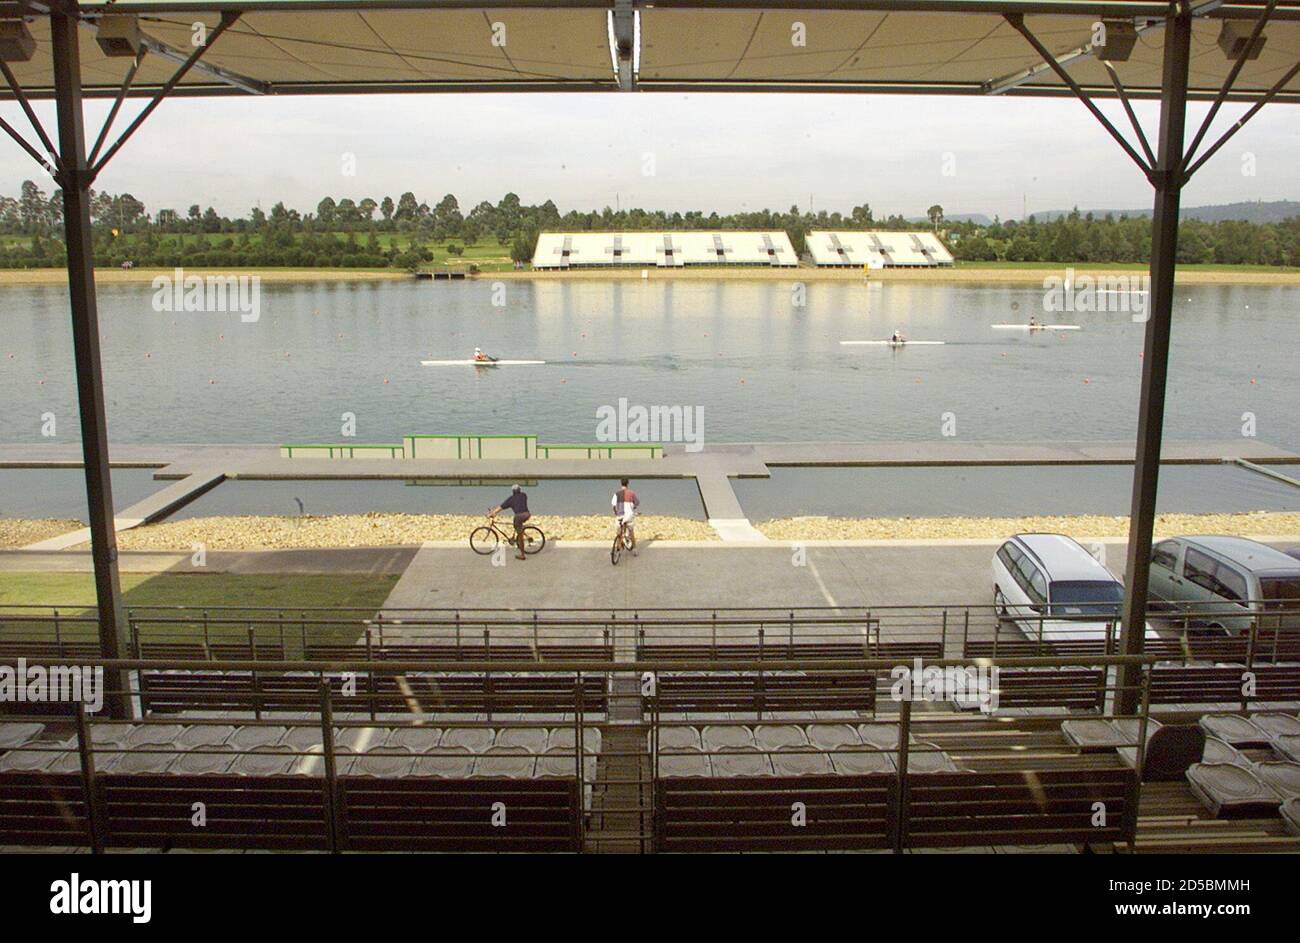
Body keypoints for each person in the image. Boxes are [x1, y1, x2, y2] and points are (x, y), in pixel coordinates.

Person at [489, 484, 531, 560]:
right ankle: (520, 535)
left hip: (519, 516)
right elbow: (519, 502)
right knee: (517, 526)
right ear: (520, 490)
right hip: (527, 514)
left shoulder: (511, 499)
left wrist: (493, 513)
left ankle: (522, 555)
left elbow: (501, 507)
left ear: (513, 491)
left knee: (520, 535)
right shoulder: (524, 495)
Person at [611, 478, 639, 556]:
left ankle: (618, 547)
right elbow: (636, 503)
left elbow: (613, 505)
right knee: (631, 532)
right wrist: (633, 508)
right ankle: (634, 550)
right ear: (628, 483)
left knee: (619, 533)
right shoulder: (632, 493)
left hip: (620, 515)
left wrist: (616, 512)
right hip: (629, 515)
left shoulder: (616, 493)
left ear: (621, 483)